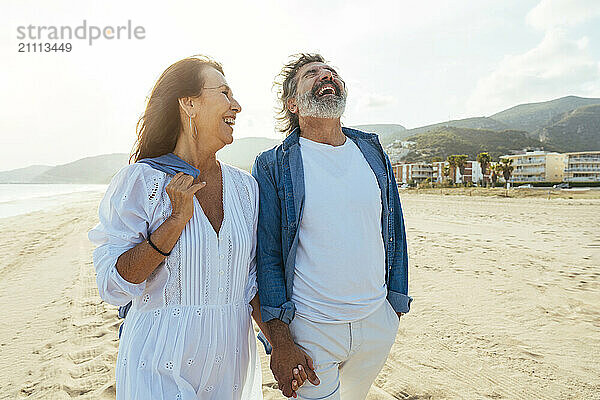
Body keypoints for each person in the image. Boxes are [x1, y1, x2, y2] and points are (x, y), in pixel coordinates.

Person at [89, 55, 265, 399]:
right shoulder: (142, 180)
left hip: (230, 364)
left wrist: (279, 346)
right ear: (188, 104)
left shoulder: (246, 188)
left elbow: (250, 282)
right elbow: (113, 284)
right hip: (158, 361)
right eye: (225, 93)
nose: (237, 105)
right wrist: (174, 223)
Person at [252, 53, 412, 399]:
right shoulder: (273, 165)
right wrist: (279, 339)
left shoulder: (370, 150)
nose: (327, 76)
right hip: (311, 328)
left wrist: (394, 307)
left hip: (377, 322)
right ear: (293, 103)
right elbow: (267, 255)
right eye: (313, 74)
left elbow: (394, 229)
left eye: (332, 72)